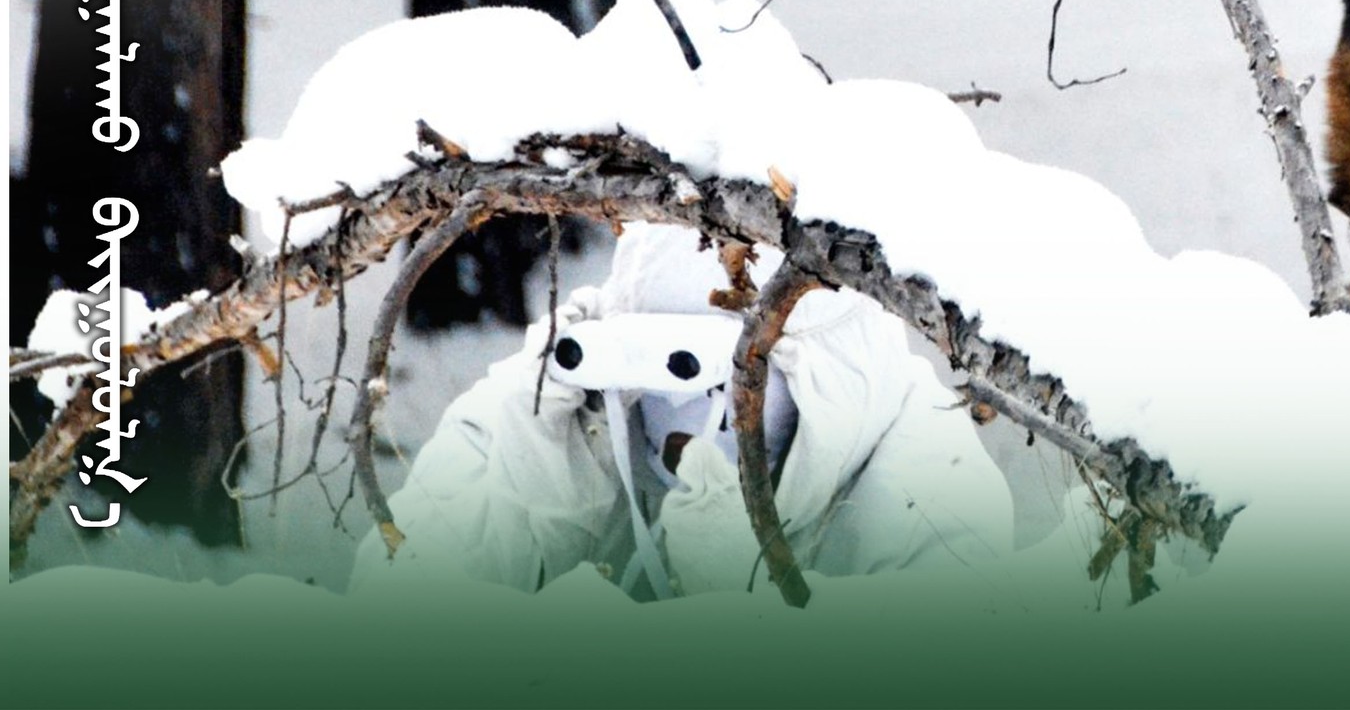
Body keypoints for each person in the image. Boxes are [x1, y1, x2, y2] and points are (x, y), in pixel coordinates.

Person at [350, 224, 1014, 596]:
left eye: (726, 377)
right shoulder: (545, 407)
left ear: (815, 375)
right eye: (661, 367)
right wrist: (523, 512)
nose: (688, 420)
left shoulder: (929, 483)